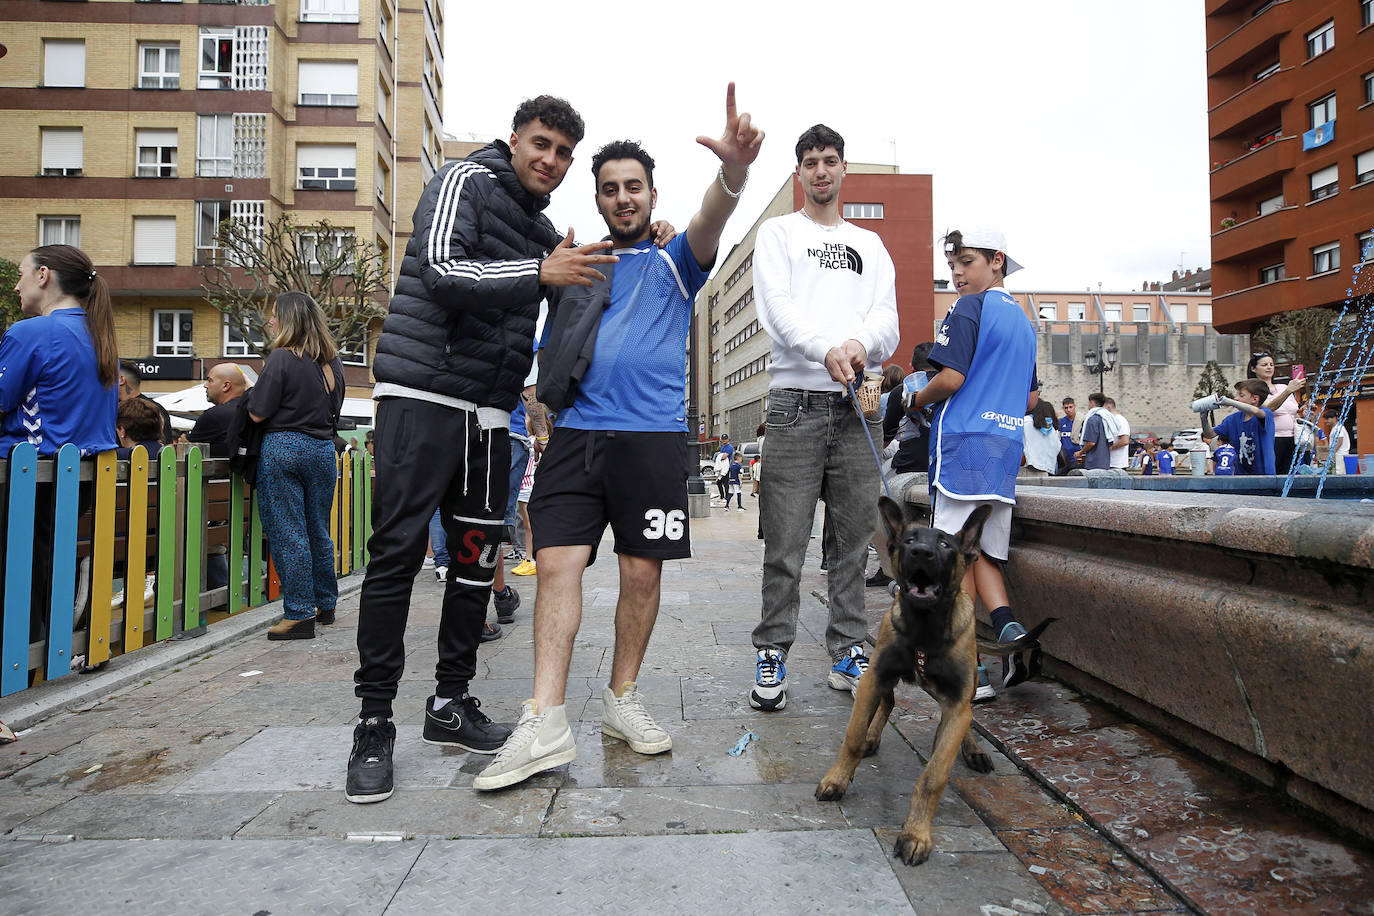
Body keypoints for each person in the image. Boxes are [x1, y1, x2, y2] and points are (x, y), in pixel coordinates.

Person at [474, 84, 763, 792]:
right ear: (598, 199)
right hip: (576, 439)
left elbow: (710, 216)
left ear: (651, 194)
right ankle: (544, 718)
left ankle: (621, 699)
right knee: (557, 568)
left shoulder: (676, 260)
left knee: (641, 574)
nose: (623, 198)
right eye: (610, 189)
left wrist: (733, 173)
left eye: (633, 187)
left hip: (652, 442)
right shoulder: (579, 265)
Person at [348, 96, 613, 804]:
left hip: (491, 416)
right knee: (398, 558)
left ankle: (449, 705)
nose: (550, 161)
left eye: (563, 153)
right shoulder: (462, 181)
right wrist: (539, 274)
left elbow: (575, 302)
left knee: (474, 564)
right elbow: (440, 269)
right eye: (541, 144)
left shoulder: (544, 230)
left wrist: (640, 244)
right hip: (423, 399)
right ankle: (373, 721)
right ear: (515, 140)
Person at [747, 123, 898, 713]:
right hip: (794, 405)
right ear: (798, 173)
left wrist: (861, 343)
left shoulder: (871, 245)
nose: (820, 171)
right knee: (784, 540)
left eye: (829, 160)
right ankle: (773, 649)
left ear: (843, 169)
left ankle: (847, 648)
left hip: (856, 406)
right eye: (809, 162)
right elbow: (776, 309)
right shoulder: (779, 235)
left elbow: (887, 318)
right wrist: (822, 348)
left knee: (853, 541)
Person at [907, 227, 1039, 700]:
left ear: (996, 260)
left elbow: (951, 378)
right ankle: (1007, 628)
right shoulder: (1025, 320)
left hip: (963, 443)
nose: (957, 274)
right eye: (952, 265)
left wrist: (916, 400)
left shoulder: (968, 309)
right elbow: (1030, 398)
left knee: (952, 563)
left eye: (966, 262)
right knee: (983, 554)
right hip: (1004, 448)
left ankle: (973, 673)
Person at [4, 245, 120, 649]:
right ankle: (46, 650)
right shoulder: (98, 332)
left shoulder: (31, 332)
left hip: (29, 471)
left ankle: (25, 653)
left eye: (21, 273)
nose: (16, 284)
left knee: (20, 573)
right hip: (79, 474)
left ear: (43, 276)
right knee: (43, 566)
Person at [246, 291, 344, 641]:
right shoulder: (333, 364)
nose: (270, 321)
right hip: (322, 451)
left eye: (275, 315)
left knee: (289, 531)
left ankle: (299, 613)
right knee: (317, 528)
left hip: (284, 446)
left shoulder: (281, 359)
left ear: (289, 320)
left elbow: (258, 411)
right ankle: (325, 603)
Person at [1246, 352, 1306, 472]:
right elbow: (1268, 409)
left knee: (1289, 474)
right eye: (1264, 365)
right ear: (1253, 368)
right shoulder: (1253, 389)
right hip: (1272, 439)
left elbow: (1293, 412)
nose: (1269, 367)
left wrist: (1304, 413)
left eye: (1271, 364)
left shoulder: (1283, 387)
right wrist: (1288, 391)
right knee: (1272, 473)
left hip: (1292, 438)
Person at [1200, 379, 1275, 475]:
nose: (1236, 398)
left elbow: (1256, 412)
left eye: (1241, 395)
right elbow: (1209, 434)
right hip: (1241, 475)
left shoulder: (1266, 414)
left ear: (1255, 399)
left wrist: (1230, 402)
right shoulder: (1232, 419)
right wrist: (1204, 418)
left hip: (1265, 475)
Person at [185, 363, 248, 458]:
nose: (205, 385)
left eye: (210, 381)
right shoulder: (255, 410)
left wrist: (183, 440)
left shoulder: (214, 416)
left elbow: (187, 448)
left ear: (226, 386)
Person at [118, 362, 176, 445]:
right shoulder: (155, 408)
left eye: (108, 378)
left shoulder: (153, 409)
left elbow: (166, 447)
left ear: (121, 380)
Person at [1021, 399, 1061, 477]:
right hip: (1045, 471)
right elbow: (1057, 447)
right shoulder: (1050, 427)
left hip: (1026, 470)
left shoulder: (1025, 422)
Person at [1075, 393, 1112, 471]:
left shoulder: (1092, 419)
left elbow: (1091, 442)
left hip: (1094, 462)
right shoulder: (1106, 419)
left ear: (1092, 402)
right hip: (1105, 462)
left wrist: (1080, 452)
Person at [1312, 407, 1352, 473]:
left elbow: (1339, 441)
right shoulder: (1335, 428)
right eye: (1325, 419)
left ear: (1335, 418)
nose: (1326, 421)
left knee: (1339, 474)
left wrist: (1330, 454)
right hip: (1336, 455)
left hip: (1339, 455)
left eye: (1328, 419)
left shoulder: (1338, 428)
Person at [1104, 397, 1130, 470]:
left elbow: (1125, 440)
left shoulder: (1120, 420)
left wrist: (1109, 448)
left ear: (1108, 407)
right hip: (1111, 463)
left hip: (1118, 464)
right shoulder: (1111, 420)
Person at [1058, 397, 1079, 468]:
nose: (1068, 410)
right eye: (1066, 408)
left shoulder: (1081, 421)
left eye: (1070, 407)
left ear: (1075, 406)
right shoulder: (1060, 422)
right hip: (1065, 459)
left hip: (1078, 458)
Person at [713, 435, 732, 502]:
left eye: (725, 439)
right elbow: (721, 455)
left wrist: (719, 456)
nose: (724, 440)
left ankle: (727, 497)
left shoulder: (730, 447)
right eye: (723, 439)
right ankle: (722, 496)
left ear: (728, 439)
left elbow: (723, 456)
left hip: (726, 467)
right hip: (721, 466)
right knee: (718, 482)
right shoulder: (722, 447)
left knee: (725, 483)